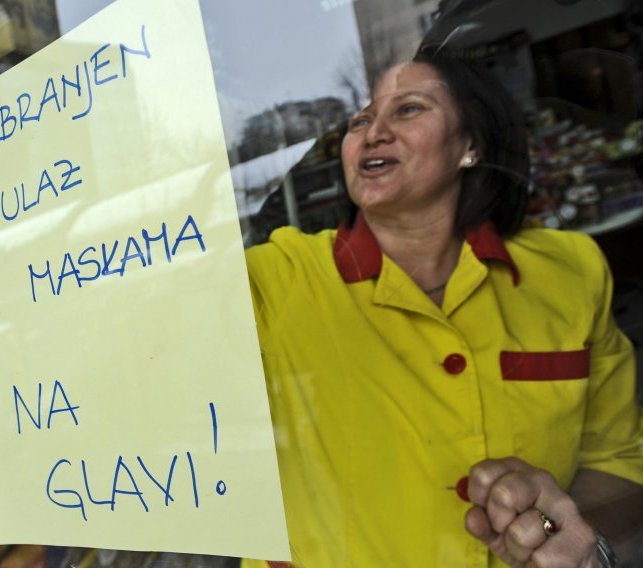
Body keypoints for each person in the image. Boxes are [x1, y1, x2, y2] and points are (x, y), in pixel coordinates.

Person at [242, 50, 643, 567]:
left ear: (470, 144)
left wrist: (570, 536)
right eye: (358, 119)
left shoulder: (568, 272)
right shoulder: (275, 279)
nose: (374, 132)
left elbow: (622, 459)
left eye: (407, 109)